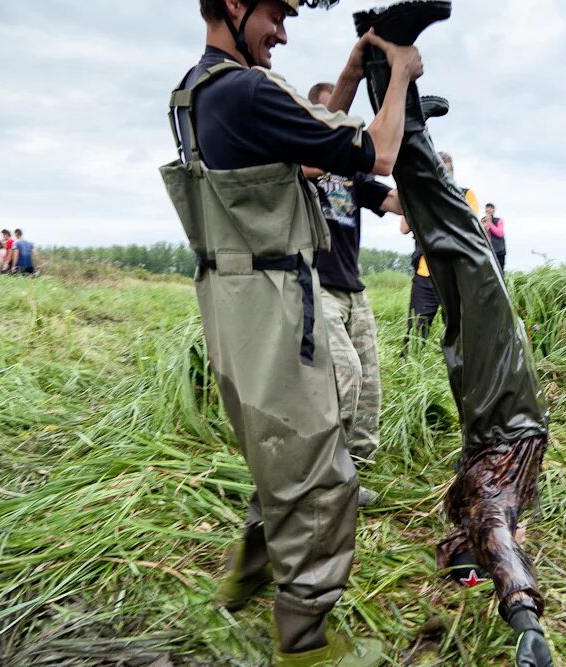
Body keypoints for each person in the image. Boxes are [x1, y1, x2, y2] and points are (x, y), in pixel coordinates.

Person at [159, 1, 422, 663]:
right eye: (275, 13)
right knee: (321, 471)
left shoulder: (194, 94)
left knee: (276, 450)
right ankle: (304, 639)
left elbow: (311, 136)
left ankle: (244, 580)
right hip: (276, 298)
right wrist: (400, 74)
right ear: (232, 5)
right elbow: (377, 152)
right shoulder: (249, 90)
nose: (283, 30)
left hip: (226, 298)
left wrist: (356, 61)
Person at [354, 3, 553, 664]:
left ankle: (397, 83)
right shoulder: (473, 500)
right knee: (453, 245)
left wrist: (526, 621)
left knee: (460, 246)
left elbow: (500, 541)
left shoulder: (487, 500)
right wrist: (472, 567)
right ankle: (404, 109)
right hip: (488, 397)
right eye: (462, 549)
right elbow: (487, 538)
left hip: (498, 403)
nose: (477, 539)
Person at [304, 81, 405, 506]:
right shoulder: (301, 164)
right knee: (345, 374)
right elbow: (306, 163)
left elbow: (394, 202)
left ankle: (355, 469)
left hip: (353, 288)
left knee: (370, 385)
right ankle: (323, 477)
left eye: (342, 120)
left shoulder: (351, 172)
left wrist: (428, 178)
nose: (339, 127)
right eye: (330, 117)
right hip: (315, 284)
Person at [400, 150, 478, 354]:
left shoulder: (466, 194)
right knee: (416, 331)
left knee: (459, 330)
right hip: (425, 274)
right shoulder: (420, 194)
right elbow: (404, 227)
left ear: (452, 174)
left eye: (445, 173)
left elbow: (470, 227)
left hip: (455, 274)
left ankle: (460, 372)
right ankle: (410, 371)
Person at [482, 202, 506, 272]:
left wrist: (490, 224)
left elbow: (500, 233)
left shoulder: (499, 220)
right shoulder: (483, 220)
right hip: (488, 251)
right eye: (487, 210)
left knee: (500, 271)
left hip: (500, 251)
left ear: (493, 210)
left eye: (490, 210)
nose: (488, 212)